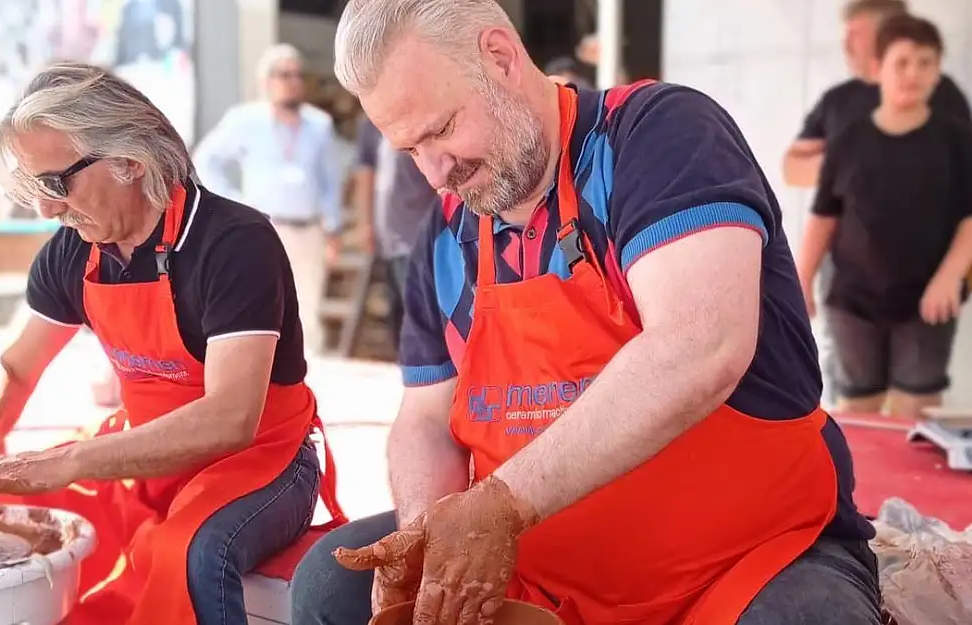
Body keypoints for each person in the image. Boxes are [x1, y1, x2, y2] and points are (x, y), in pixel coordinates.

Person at [291, 1, 880, 625]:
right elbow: (426, 421)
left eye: (439, 130)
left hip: (742, 562)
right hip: (538, 569)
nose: (436, 173)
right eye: (411, 149)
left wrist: (501, 504)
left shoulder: (660, 135)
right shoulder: (444, 234)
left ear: (500, 56)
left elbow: (702, 345)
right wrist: (426, 541)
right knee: (330, 586)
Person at [0, 62, 346, 625]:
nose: (48, 209)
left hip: (264, 460)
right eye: (34, 189)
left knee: (193, 553)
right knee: (1, 519)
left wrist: (69, 462)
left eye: (55, 184)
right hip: (143, 456)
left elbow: (229, 419)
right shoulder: (73, 250)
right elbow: (15, 367)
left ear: (128, 160)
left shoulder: (234, 242)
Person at [780, 0, 972, 410]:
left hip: (925, 300)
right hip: (852, 298)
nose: (912, 73)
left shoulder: (952, 129)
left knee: (914, 418)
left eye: (924, 63)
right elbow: (818, 208)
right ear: (881, 65)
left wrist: (950, 277)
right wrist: (801, 280)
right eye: (901, 63)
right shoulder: (844, 127)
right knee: (856, 414)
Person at [194, 44, 344, 354]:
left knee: (308, 309)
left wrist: (334, 228)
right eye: (284, 74)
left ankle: (306, 386)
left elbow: (331, 182)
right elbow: (206, 159)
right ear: (266, 80)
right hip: (264, 229)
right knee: (260, 304)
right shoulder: (245, 120)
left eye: (298, 75)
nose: (293, 81)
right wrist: (236, 205)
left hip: (308, 230)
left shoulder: (320, 124)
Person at [782, 0, 971, 188]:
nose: (846, 46)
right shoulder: (837, 100)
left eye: (854, 35)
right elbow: (792, 169)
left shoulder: (938, 91)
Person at [353, 114, 440, 349]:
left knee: (417, 307)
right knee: (397, 308)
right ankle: (406, 365)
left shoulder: (419, 118)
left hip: (418, 232)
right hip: (387, 235)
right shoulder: (369, 125)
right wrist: (366, 224)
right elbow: (365, 174)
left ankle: (427, 366)